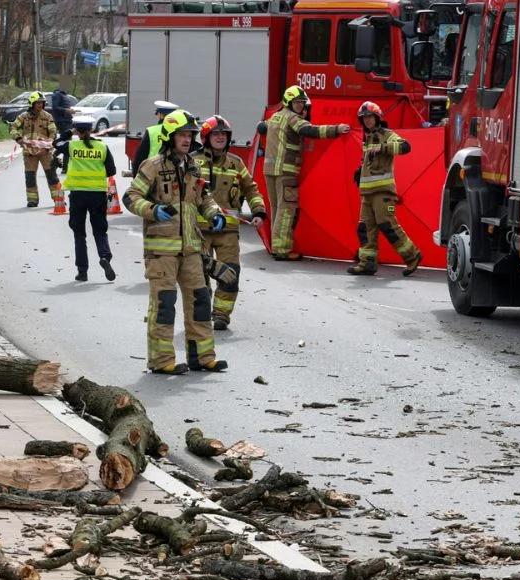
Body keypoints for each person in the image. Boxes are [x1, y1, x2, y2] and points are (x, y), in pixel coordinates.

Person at [124, 109, 229, 375]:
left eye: (190, 135)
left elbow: (204, 197)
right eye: (182, 134)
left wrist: (215, 213)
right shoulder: (153, 166)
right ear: (170, 136)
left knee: (200, 301)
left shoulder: (192, 167)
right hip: (162, 252)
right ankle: (161, 361)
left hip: (192, 248)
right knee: (164, 305)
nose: (186, 139)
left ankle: (203, 357)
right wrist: (152, 209)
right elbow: (130, 197)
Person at [193, 115, 266, 331]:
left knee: (230, 273)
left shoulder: (236, 163)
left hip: (228, 230)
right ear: (206, 137)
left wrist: (259, 211)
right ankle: (202, 313)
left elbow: (251, 189)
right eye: (215, 134)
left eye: (223, 135)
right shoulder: (192, 161)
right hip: (198, 230)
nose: (220, 138)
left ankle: (222, 315)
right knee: (199, 275)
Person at [261, 85, 350, 260]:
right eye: (298, 103)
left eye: (303, 103)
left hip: (270, 170)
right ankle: (282, 250)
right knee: (286, 209)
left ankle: (276, 245)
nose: (301, 106)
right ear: (288, 102)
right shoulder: (292, 118)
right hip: (286, 171)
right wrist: (337, 129)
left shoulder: (275, 117)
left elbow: (261, 127)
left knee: (277, 208)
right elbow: (311, 130)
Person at [348, 101, 421, 276]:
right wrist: (360, 170)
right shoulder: (367, 138)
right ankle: (367, 263)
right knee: (365, 229)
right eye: (364, 118)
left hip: (383, 193)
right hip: (367, 193)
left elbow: (405, 146)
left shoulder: (386, 135)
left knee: (387, 225)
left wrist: (384, 147)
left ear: (377, 117)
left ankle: (412, 256)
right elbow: (369, 161)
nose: (367, 120)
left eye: (370, 117)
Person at [62, 116, 117, 282]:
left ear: (76, 131)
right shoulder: (102, 147)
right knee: (100, 230)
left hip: (78, 194)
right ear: (92, 129)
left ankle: (82, 271)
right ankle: (104, 257)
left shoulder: (71, 145)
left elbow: (54, 144)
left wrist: (68, 133)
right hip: (97, 194)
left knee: (79, 234)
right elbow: (111, 170)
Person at [10, 91, 61, 208]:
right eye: (37, 103)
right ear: (32, 104)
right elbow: (12, 127)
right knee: (30, 178)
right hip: (30, 153)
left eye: (42, 103)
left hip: (45, 153)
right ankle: (32, 200)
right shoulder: (23, 117)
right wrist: (18, 138)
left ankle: (58, 198)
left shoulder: (47, 117)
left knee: (52, 176)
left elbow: (53, 132)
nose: (40, 105)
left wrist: (49, 144)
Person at [130, 100, 179, 176]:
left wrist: (135, 177)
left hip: (153, 174)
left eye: (157, 113)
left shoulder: (151, 131)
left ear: (161, 115)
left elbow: (139, 159)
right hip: (176, 175)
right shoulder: (180, 131)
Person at [50, 87, 77, 170]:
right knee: (66, 144)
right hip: (62, 121)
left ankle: (53, 161)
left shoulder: (65, 95)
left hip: (68, 121)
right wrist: (66, 110)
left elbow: (64, 107)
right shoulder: (57, 94)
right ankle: (64, 167)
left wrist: (70, 111)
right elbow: (55, 107)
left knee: (66, 144)